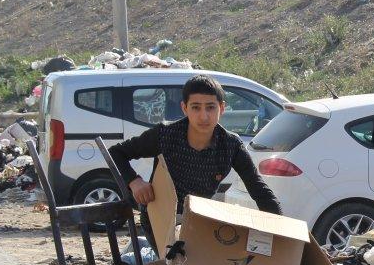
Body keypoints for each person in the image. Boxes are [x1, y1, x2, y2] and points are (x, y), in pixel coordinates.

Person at [108, 74, 282, 215]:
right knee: (177, 258)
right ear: (185, 108)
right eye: (196, 107)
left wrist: (283, 230)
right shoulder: (165, 134)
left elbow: (258, 188)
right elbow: (116, 153)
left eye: (210, 107)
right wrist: (135, 181)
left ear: (222, 108)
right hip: (159, 219)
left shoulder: (231, 145)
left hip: (198, 220)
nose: (204, 116)